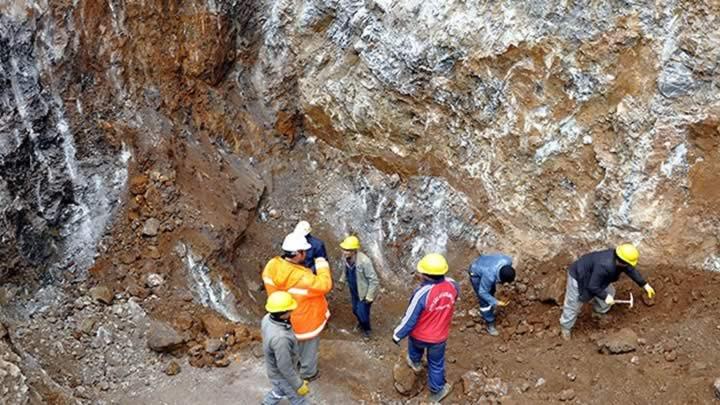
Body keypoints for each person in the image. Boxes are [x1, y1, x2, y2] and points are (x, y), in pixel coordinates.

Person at [263, 232, 333, 380]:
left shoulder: (272, 265)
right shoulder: (303, 278)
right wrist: (322, 264)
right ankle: (308, 373)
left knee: (293, 345)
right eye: (304, 251)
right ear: (298, 254)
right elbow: (325, 285)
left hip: (284, 317)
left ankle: (295, 365)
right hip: (306, 320)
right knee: (308, 349)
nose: (306, 254)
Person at [392, 253, 459, 403]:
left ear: (426, 276)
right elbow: (453, 298)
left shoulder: (422, 293)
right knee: (436, 364)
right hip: (439, 337)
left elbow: (410, 318)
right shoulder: (453, 286)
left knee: (415, 351)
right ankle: (437, 391)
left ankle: (415, 363)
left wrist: (397, 334)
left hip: (419, 336)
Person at [559, 244, 656, 340]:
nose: (629, 266)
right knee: (574, 304)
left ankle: (597, 313)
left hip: (596, 276)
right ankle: (566, 327)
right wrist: (605, 296)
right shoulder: (604, 265)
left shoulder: (619, 258)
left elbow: (630, 270)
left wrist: (644, 284)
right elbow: (592, 286)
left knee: (610, 291)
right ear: (622, 262)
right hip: (579, 276)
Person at [261, 291, 310, 405]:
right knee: (300, 400)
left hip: (274, 372)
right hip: (282, 376)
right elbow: (284, 367)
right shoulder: (281, 339)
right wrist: (298, 384)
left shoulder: (267, 318)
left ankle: (267, 403)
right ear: (284, 313)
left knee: (279, 390)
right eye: (290, 309)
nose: (292, 310)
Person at [338, 236, 379, 338]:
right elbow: (345, 271)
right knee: (355, 310)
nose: (345, 252)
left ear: (354, 251)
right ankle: (361, 323)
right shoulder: (347, 259)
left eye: (347, 250)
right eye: (344, 249)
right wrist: (342, 281)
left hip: (363, 293)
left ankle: (367, 330)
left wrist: (369, 296)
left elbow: (373, 280)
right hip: (354, 290)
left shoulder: (364, 262)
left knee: (363, 314)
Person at [468, 253, 516, 336]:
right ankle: (490, 324)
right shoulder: (490, 276)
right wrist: (496, 302)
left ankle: (491, 304)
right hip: (475, 270)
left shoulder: (508, 260)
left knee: (491, 290)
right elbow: (482, 292)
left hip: (484, 262)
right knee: (484, 301)